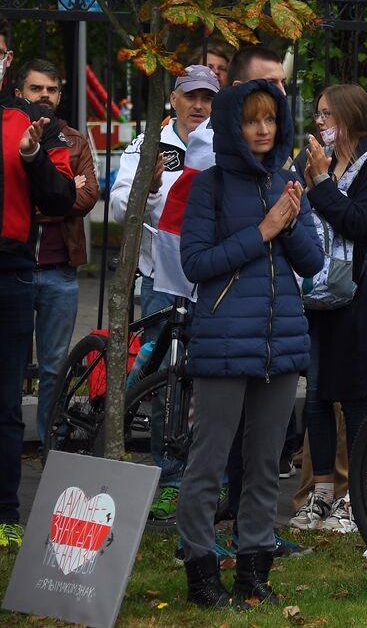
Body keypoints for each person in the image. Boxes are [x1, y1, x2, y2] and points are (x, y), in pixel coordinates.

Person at [177, 80, 323, 608]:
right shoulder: (209, 186)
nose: (263, 130)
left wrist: (286, 223)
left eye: (270, 120)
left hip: (279, 344)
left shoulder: (288, 182)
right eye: (251, 121)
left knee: (264, 463)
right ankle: (201, 571)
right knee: (208, 463)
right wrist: (262, 230)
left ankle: (254, 570)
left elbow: (312, 264)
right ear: (232, 128)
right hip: (221, 344)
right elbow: (195, 264)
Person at [110, 63, 220, 520]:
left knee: (211, 381)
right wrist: (149, 188)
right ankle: (170, 478)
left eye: (207, 98)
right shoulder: (150, 144)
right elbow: (119, 207)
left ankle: (210, 481)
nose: (199, 106)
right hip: (162, 280)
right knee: (166, 384)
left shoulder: (222, 142)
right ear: (173, 98)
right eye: (191, 96)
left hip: (211, 279)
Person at [0, 12, 75, 552]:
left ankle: (0, 512)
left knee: (1, 404)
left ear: (7, 58)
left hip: (13, 277)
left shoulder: (35, 123)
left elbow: (62, 200)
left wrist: (33, 155)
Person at [289, 85, 367, 534]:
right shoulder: (312, 159)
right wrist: (313, 179)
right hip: (314, 293)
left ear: (350, 118)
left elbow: (356, 220)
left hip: (356, 292)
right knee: (315, 397)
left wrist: (321, 183)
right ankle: (321, 494)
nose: (319, 123)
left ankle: (354, 501)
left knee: (354, 397)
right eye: (318, 114)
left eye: (327, 114)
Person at [17, 60, 98, 439]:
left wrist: (44, 199)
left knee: (53, 368)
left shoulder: (76, 141)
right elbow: (5, 199)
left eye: (51, 90)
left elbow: (86, 198)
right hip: (11, 268)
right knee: (6, 365)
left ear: (60, 96)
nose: (44, 96)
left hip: (60, 272)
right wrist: (60, 192)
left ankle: (51, 447)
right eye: (37, 89)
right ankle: (5, 446)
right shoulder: (4, 136)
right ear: (19, 93)